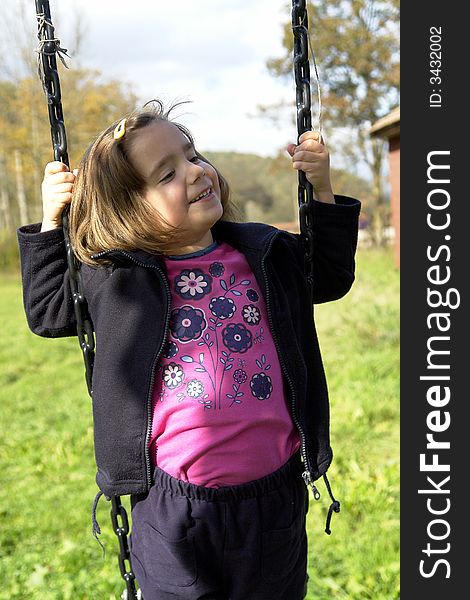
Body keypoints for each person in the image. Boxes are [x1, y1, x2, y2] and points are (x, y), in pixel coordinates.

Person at [17, 99, 361, 600]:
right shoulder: (117, 279)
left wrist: (322, 188)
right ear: (127, 207)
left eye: (193, 155)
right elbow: (49, 311)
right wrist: (53, 218)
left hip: (273, 495)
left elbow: (329, 275)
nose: (197, 172)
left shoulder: (264, 251)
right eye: (167, 173)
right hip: (173, 505)